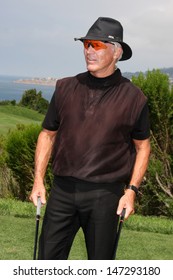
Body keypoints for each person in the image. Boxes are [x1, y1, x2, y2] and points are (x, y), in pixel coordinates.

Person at [29, 17, 151, 260]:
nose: (88, 51)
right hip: (62, 191)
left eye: (96, 45)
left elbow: (143, 146)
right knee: (46, 264)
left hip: (106, 197)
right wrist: (38, 180)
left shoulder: (134, 98)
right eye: (86, 45)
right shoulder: (65, 88)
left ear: (116, 52)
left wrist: (132, 191)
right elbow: (47, 135)